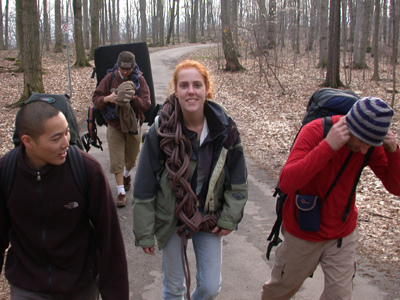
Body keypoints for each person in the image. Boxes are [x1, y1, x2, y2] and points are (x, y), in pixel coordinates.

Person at [261, 97, 400, 300]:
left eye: (370, 146)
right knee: (278, 292)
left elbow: (396, 187)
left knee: (340, 297)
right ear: (350, 129)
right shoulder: (316, 131)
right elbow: (287, 183)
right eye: (362, 144)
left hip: (342, 234)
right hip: (303, 232)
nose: (364, 151)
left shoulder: (369, 143)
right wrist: (328, 146)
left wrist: (393, 151)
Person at [132, 60, 248, 300]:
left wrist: (229, 218)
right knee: (173, 288)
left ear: (207, 89)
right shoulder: (161, 129)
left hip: (208, 216)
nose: (191, 91)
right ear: (176, 90)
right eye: (184, 85)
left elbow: (238, 180)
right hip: (172, 215)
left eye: (197, 84)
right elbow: (144, 183)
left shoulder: (225, 128)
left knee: (210, 288)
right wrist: (144, 232)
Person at [0, 101, 129, 300]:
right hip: (27, 287)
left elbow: (110, 240)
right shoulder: (7, 173)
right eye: (56, 138)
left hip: (80, 286)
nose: (66, 142)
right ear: (28, 141)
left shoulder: (87, 171)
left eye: (67, 132)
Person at [93, 51, 151, 207]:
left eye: (128, 69)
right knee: (116, 159)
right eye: (122, 68)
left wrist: (133, 98)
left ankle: (127, 175)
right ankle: (121, 192)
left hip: (133, 125)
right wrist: (108, 99)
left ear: (133, 67)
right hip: (114, 124)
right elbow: (96, 99)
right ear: (118, 66)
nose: (125, 72)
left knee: (132, 158)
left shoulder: (140, 79)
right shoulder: (110, 78)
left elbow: (146, 104)